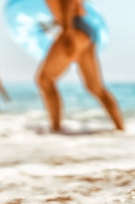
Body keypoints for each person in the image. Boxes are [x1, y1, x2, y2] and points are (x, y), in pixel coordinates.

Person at [36, 0, 124, 132]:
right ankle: (121, 129)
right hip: (85, 31)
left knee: (44, 80)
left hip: (74, 28)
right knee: (95, 87)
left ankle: (55, 129)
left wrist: (66, 31)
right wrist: (56, 24)